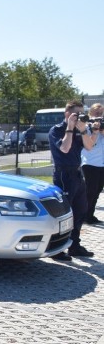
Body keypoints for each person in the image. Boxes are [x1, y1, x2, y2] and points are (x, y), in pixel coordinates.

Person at [50, 101, 96, 261]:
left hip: (77, 172)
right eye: (77, 113)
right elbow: (65, 148)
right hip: (64, 175)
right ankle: (57, 248)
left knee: (81, 210)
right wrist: (70, 127)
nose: (80, 116)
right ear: (67, 113)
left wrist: (83, 130)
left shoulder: (80, 129)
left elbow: (90, 147)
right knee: (64, 213)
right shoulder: (56, 130)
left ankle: (74, 246)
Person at [81, 103, 104, 224]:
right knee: (90, 191)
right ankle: (84, 215)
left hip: (101, 164)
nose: (99, 115)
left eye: (101, 112)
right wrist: (95, 131)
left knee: (97, 190)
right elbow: (90, 145)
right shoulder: (87, 126)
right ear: (91, 113)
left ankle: (90, 214)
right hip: (90, 163)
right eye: (96, 112)